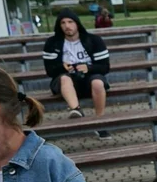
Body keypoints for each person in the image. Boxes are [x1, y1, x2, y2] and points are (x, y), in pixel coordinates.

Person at [42, 9, 112, 138]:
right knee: (64, 79)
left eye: (70, 22)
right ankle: (76, 109)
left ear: (77, 24)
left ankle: (100, 121)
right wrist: (62, 67)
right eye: (63, 23)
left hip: (89, 78)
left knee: (97, 82)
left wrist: (88, 68)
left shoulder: (94, 40)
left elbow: (105, 67)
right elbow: (49, 71)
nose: (67, 26)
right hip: (65, 81)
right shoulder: (52, 43)